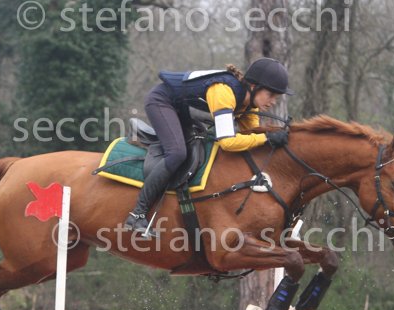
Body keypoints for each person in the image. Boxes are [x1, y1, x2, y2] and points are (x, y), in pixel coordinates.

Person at [124, 57, 293, 238]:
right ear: (254, 86)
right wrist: (266, 138)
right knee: (177, 153)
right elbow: (228, 142)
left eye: (276, 97)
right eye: (271, 94)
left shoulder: (250, 105)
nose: (273, 101)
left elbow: (251, 135)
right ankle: (137, 214)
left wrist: (274, 138)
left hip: (182, 110)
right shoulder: (224, 92)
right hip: (161, 101)